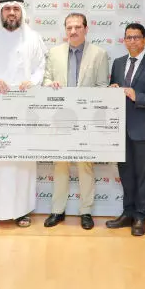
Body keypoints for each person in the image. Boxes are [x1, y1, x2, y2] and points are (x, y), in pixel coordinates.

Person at [0, 0, 46, 228]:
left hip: (24, 109)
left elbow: (40, 68)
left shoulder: (33, 38)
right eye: (7, 9)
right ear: (1, 12)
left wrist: (32, 81)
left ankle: (22, 211)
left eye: (15, 8)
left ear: (21, 12)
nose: (11, 12)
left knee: (21, 163)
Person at [42, 12, 110, 230]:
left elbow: (102, 87)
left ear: (86, 29)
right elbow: (46, 80)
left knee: (85, 166)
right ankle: (57, 210)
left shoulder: (99, 54)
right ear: (65, 30)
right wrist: (50, 84)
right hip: (60, 119)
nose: (73, 31)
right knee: (60, 165)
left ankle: (86, 211)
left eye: (77, 27)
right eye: (69, 27)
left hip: (86, 121)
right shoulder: (54, 53)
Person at [106, 23, 145, 236]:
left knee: (142, 173)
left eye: (136, 37)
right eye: (128, 37)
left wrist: (137, 96)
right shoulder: (118, 63)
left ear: (144, 40)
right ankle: (128, 213)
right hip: (119, 128)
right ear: (124, 40)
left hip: (143, 128)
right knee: (125, 173)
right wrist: (112, 89)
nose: (132, 41)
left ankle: (140, 216)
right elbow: (114, 90)